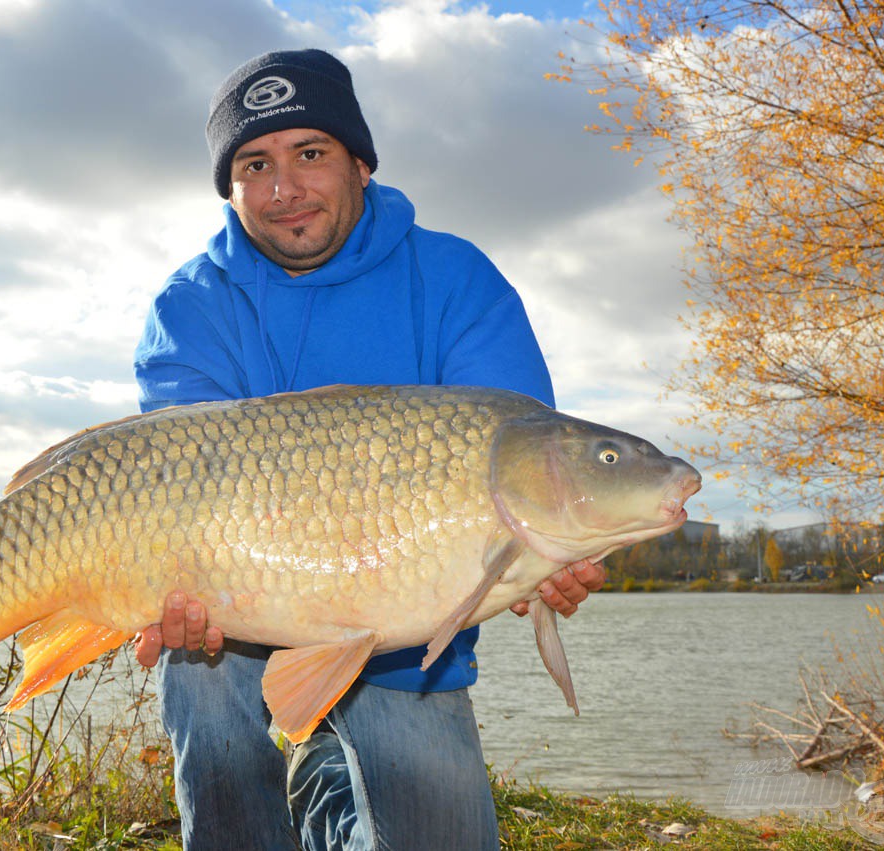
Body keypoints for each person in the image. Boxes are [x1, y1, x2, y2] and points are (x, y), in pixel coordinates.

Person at [131, 48, 606, 851]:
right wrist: (176, 593)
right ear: (230, 185)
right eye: (255, 164)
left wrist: (552, 556)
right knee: (203, 679)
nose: (284, 188)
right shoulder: (192, 305)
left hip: (409, 634)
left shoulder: (457, 279)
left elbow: (525, 461)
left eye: (309, 153)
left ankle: (322, 784)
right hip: (246, 613)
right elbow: (179, 484)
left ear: (359, 160)